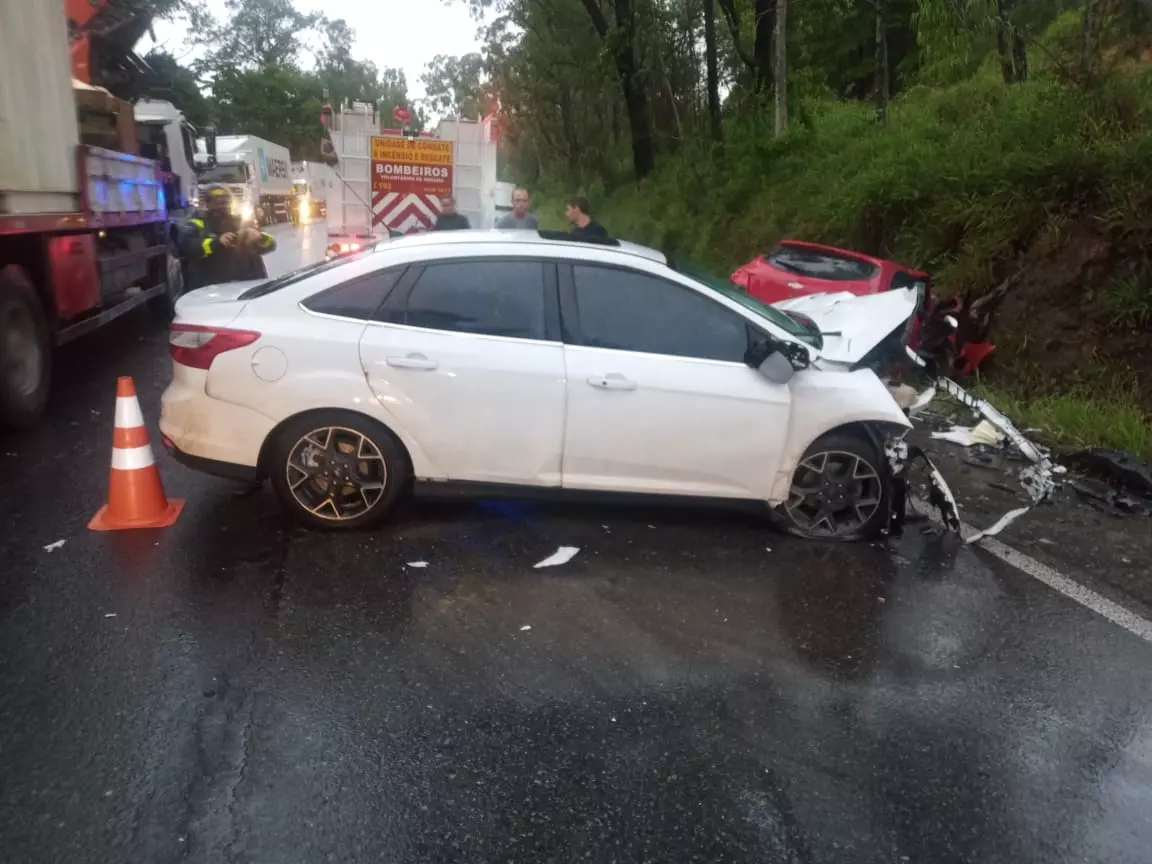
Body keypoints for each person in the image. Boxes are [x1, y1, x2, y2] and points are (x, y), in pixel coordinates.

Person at [178, 184, 277, 292]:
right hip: (211, 290)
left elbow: (270, 245)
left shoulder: (242, 223)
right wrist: (216, 243)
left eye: (225, 202)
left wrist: (259, 238)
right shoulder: (197, 224)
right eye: (218, 203)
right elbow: (185, 247)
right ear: (207, 204)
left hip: (247, 288)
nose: (222, 207)